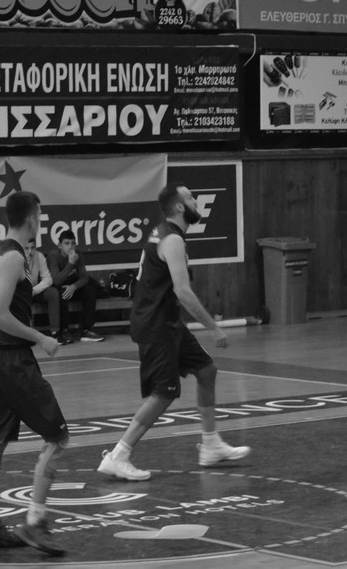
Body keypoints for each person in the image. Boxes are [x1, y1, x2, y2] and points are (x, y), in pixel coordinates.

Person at [97, 183, 249, 481]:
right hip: (156, 325)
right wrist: (214, 328)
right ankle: (118, 455)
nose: (196, 201)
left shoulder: (164, 232)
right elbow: (183, 292)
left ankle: (210, 445)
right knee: (163, 394)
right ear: (179, 207)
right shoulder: (172, 239)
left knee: (206, 370)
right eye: (191, 198)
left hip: (167, 322)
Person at [0, 191, 68, 556]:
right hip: (12, 358)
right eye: (40, 215)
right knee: (58, 437)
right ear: (31, 218)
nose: (41, 220)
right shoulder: (13, 257)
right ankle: (35, 522)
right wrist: (40, 337)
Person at [47, 230, 104, 343]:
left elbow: (84, 277)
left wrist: (74, 287)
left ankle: (86, 330)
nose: (70, 246)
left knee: (89, 291)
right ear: (60, 245)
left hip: (73, 286)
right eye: (66, 243)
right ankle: (64, 330)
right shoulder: (53, 256)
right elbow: (57, 280)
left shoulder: (78, 253)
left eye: (73, 243)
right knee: (60, 293)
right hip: (59, 287)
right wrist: (71, 263)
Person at [24, 239, 60, 340]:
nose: (30, 252)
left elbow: (48, 279)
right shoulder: (16, 258)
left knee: (52, 293)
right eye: (26, 248)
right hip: (20, 293)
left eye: (32, 248)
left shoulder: (39, 256)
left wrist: (34, 290)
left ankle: (55, 332)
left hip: (34, 291)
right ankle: (27, 333)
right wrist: (26, 262)